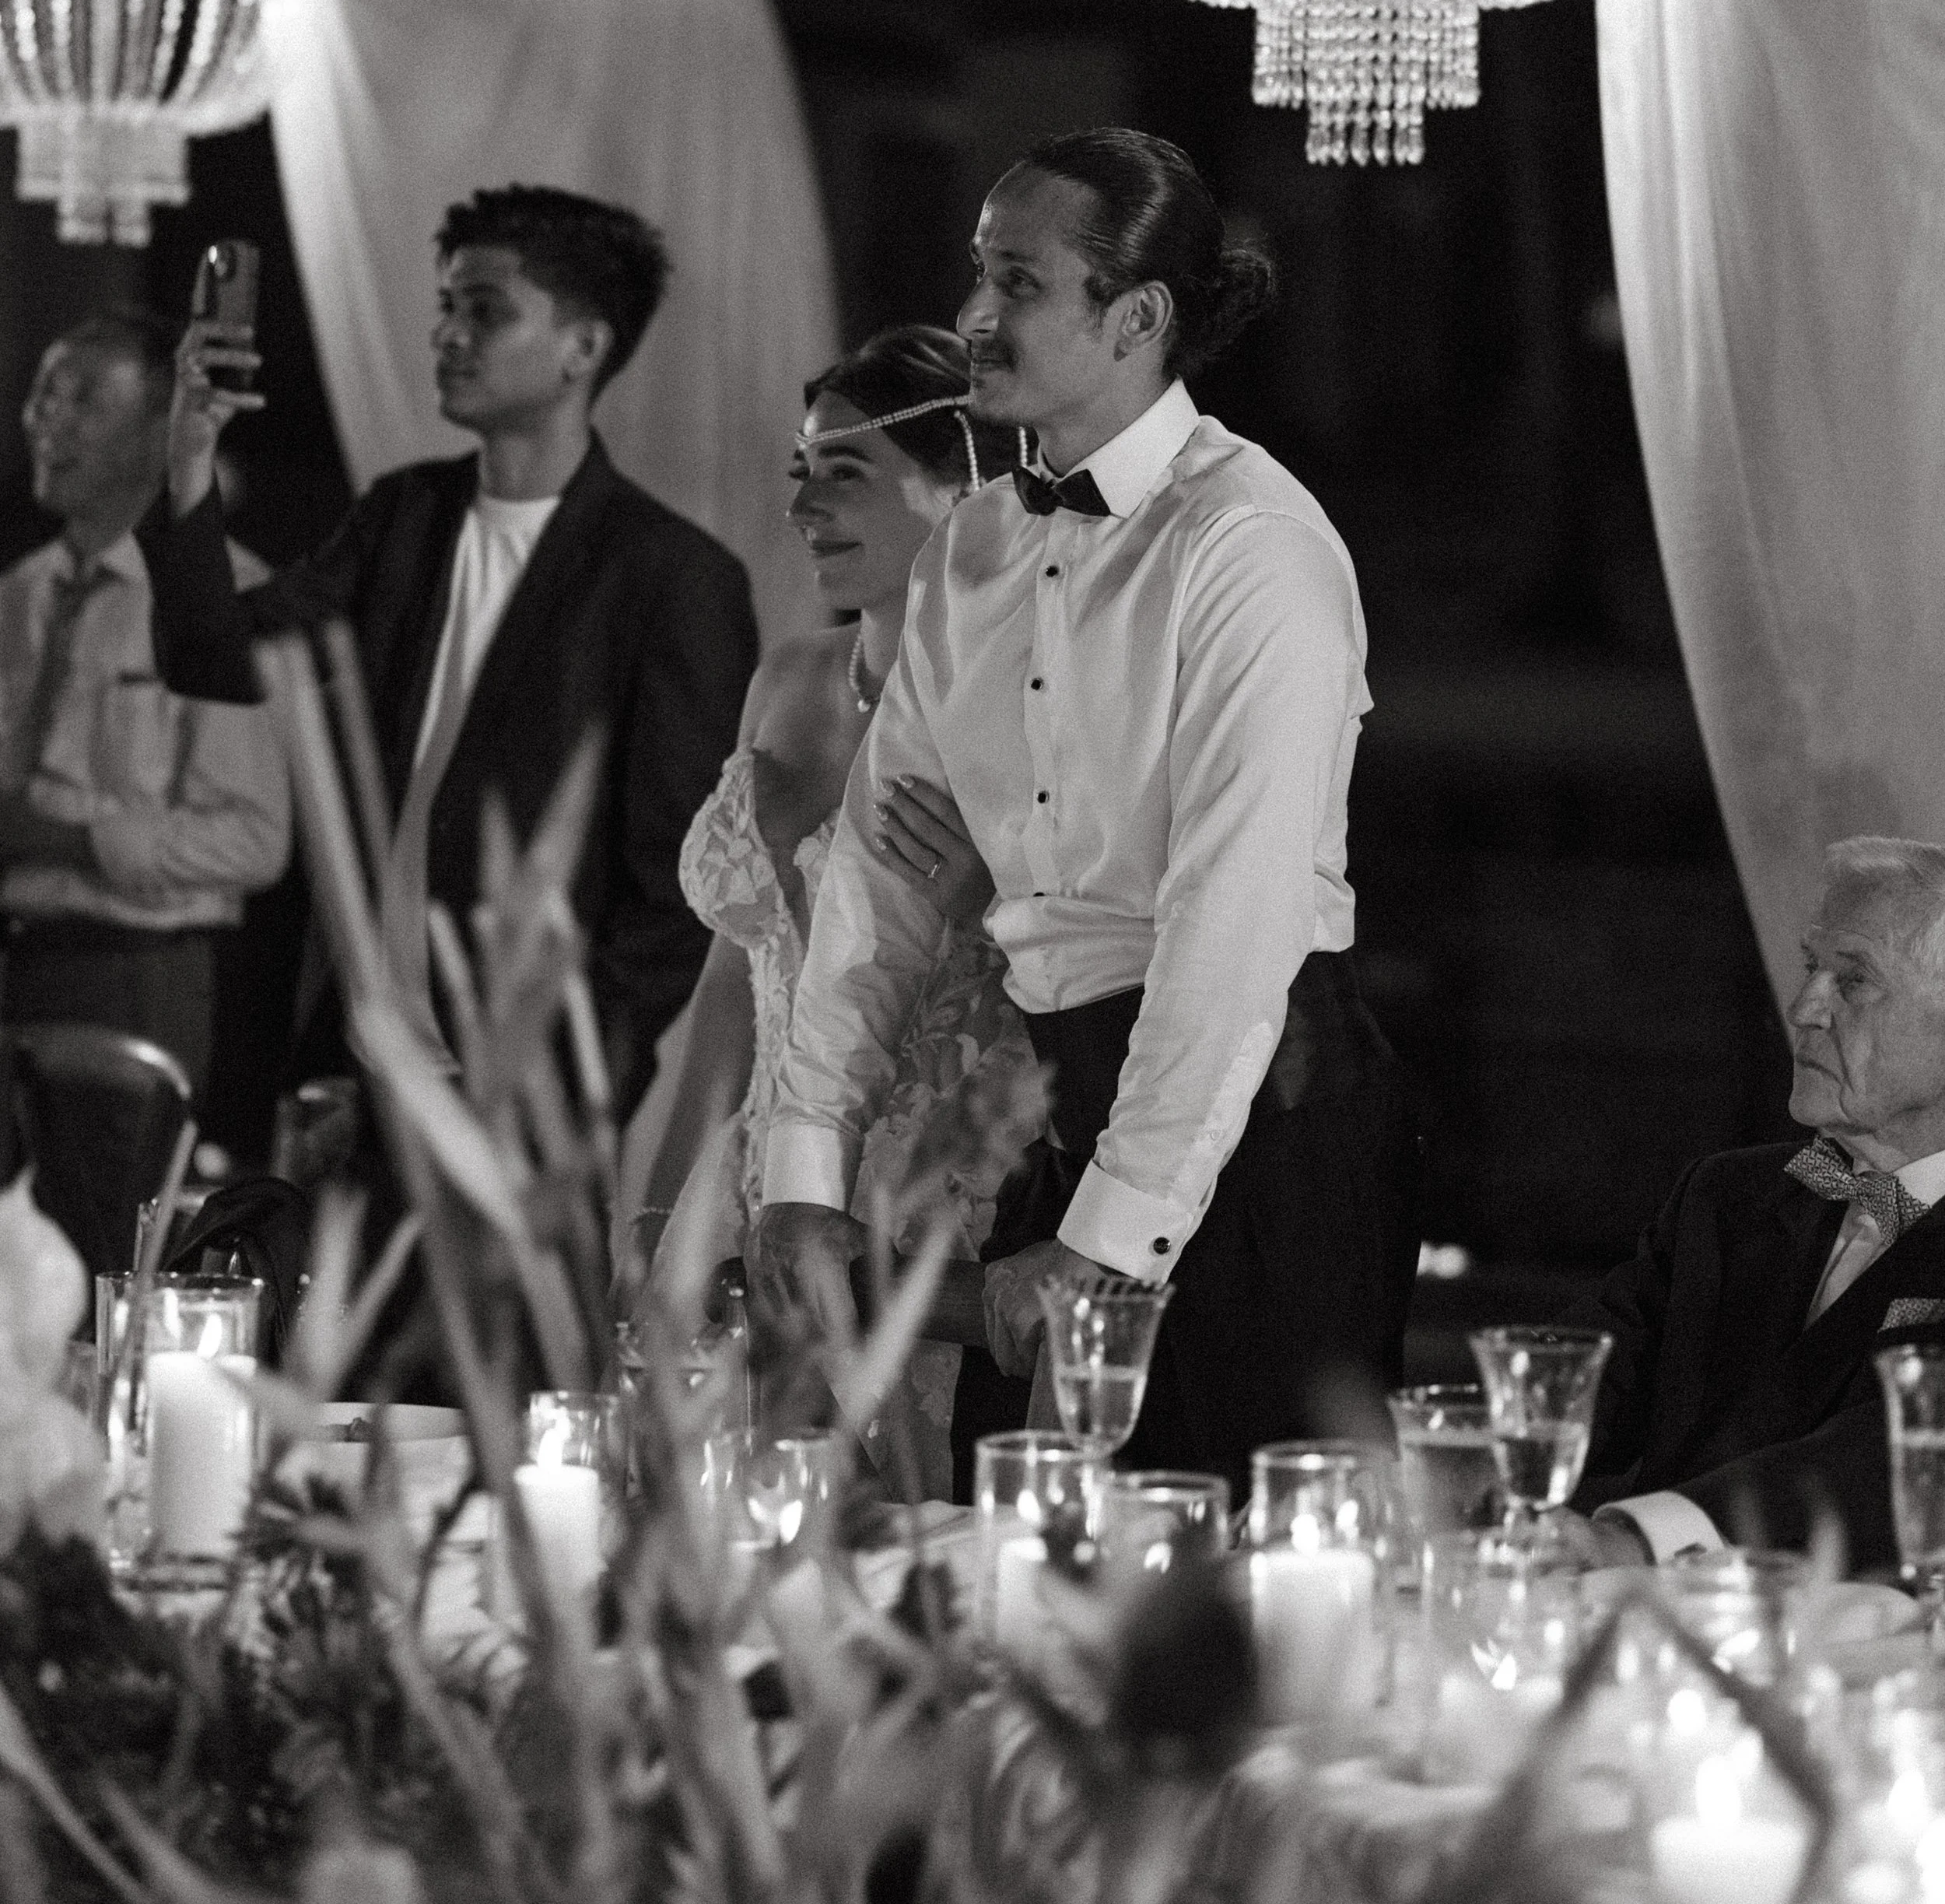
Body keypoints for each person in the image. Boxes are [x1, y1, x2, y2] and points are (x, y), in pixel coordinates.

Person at [754, 128, 1418, 1496]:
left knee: (1234, 1593)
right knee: (1034, 1572)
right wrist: (804, 1173)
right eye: (975, 278)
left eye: (1019, 284)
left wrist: (1106, 1242)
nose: (975, 319)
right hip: (1065, 1100)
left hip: (1268, 1120)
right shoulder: (974, 548)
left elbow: (1233, 932)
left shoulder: (1255, 551)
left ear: (1140, 318)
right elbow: (875, 886)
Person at [141, 185, 757, 1124]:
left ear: (582, 349)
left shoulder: (669, 576)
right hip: (351, 1072)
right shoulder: (404, 518)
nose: (447, 336)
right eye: (445, 308)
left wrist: (566, 1084)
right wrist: (189, 456)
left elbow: (673, 890)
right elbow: (213, 658)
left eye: (484, 311)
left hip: (524, 1097)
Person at [634, 327, 1036, 1498]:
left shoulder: (1019, 704)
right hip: (753, 1176)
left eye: (842, 472)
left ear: (957, 484)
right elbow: (733, 976)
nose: (804, 503)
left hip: (932, 1200)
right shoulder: (790, 677)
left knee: (908, 1543)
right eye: (799, 471)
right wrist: (663, 1198)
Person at [1575, 836, 1945, 1571]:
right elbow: (1582, 1382)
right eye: (1812, 967)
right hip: (1659, 1647)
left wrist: (1636, 1539)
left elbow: (1875, 1465)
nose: (1803, 1006)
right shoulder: (1726, 1198)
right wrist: (1450, 1462)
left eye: (1854, 980)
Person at [0, 310, 289, 1100]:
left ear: (159, 429)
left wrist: (73, 841)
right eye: (41, 396)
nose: (46, 421)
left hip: (130, 972)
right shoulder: (21, 592)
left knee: (106, 1223)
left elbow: (254, 840)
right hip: (15, 958)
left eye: (82, 399)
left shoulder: (218, 593)